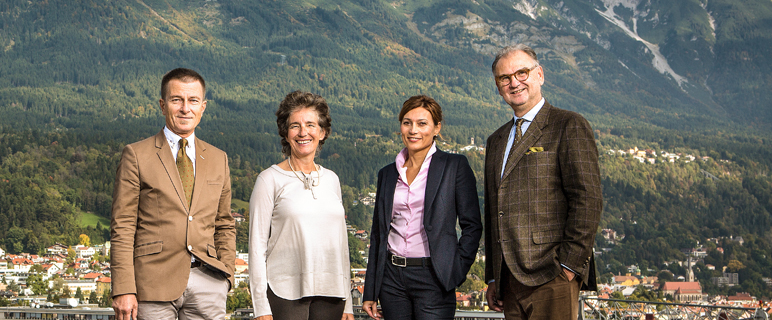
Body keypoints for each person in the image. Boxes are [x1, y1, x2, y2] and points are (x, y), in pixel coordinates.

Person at [483, 44, 603, 320]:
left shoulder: (568, 125)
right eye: (504, 78)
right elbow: (493, 211)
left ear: (540, 74)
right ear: (498, 86)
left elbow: (587, 199)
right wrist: (492, 276)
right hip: (509, 282)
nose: (514, 82)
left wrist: (569, 266)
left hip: (553, 276)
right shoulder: (496, 141)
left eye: (521, 72)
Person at [110, 68, 236, 320]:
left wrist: (227, 276)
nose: (185, 108)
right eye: (177, 100)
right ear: (162, 104)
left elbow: (224, 223)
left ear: (203, 107)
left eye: (193, 101)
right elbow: (123, 226)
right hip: (152, 285)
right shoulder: (136, 155)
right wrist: (123, 288)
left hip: (209, 282)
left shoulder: (218, 158)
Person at [362, 95, 483, 320]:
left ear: (437, 128)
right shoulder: (387, 174)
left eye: (422, 123)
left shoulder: (454, 166)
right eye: (407, 123)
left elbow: (472, 226)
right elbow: (378, 234)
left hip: (434, 276)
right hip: (392, 279)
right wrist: (370, 289)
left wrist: (455, 270)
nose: (413, 130)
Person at [248, 91, 354, 320]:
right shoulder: (269, 180)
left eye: (310, 125)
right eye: (295, 125)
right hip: (285, 292)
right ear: (285, 134)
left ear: (322, 132)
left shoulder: (332, 180)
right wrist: (260, 307)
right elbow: (256, 248)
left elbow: (342, 244)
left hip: (332, 294)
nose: (303, 132)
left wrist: (348, 303)